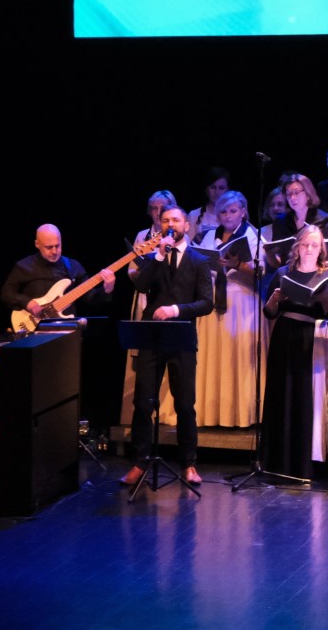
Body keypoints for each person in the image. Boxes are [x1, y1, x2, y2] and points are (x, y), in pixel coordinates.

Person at [123, 208, 214, 487]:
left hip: (181, 336)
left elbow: (206, 302)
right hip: (152, 336)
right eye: (165, 221)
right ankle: (139, 462)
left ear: (186, 225)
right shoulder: (155, 257)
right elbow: (141, 286)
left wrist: (176, 309)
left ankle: (188, 463)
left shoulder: (199, 261)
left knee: (185, 403)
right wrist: (159, 256)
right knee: (143, 401)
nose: (170, 224)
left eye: (175, 220)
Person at [261, 224, 328, 480]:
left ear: (321, 249)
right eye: (305, 244)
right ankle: (282, 461)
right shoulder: (283, 273)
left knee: (312, 400)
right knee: (285, 395)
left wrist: (324, 300)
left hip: (316, 338)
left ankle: (311, 461)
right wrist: (274, 300)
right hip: (286, 337)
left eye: (314, 245)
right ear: (297, 247)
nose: (309, 249)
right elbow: (269, 312)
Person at [190, 190, 262, 428]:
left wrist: (238, 264)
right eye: (223, 211)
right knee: (213, 357)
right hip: (213, 301)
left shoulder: (252, 235)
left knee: (236, 358)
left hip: (241, 303)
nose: (228, 215)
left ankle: (240, 414)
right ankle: (211, 413)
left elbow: (262, 273)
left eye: (233, 210)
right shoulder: (209, 236)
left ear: (243, 212)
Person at [0, 224, 117, 328]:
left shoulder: (73, 266)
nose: (54, 251)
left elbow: (90, 299)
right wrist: (27, 303)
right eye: (49, 247)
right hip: (33, 331)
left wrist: (107, 289)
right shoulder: (24, 266)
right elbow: (6, 293)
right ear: (37, 244)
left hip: (66, 332)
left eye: (57, 245)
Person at [185, 166, 231, 238]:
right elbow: (189, 243)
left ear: (227, 190)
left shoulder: (233, 216)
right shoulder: (194, 215)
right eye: (213, 187)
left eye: (221, 188)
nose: (217, 192)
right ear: (206, 190)